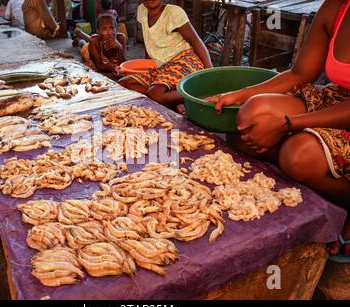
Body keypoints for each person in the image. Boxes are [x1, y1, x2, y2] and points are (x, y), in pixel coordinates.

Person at [205, 0, 350, 262]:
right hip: (338, 100)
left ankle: (344, 203)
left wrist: (288, 124)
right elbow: (298, 74)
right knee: (248, 122)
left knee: (298, 155)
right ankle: (317, 175)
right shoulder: (335, 8)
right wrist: (238, 95)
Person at [118, 0, 212, 110]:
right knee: (124, 83)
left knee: (155, 94)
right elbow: (149, 40)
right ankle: (174, 100)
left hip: (185, 60)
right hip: (163, 67)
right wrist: (148, 67)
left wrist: (209, 73)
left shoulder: (173, 13)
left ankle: (199, 92)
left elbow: (194, 40)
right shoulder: (141, 10)